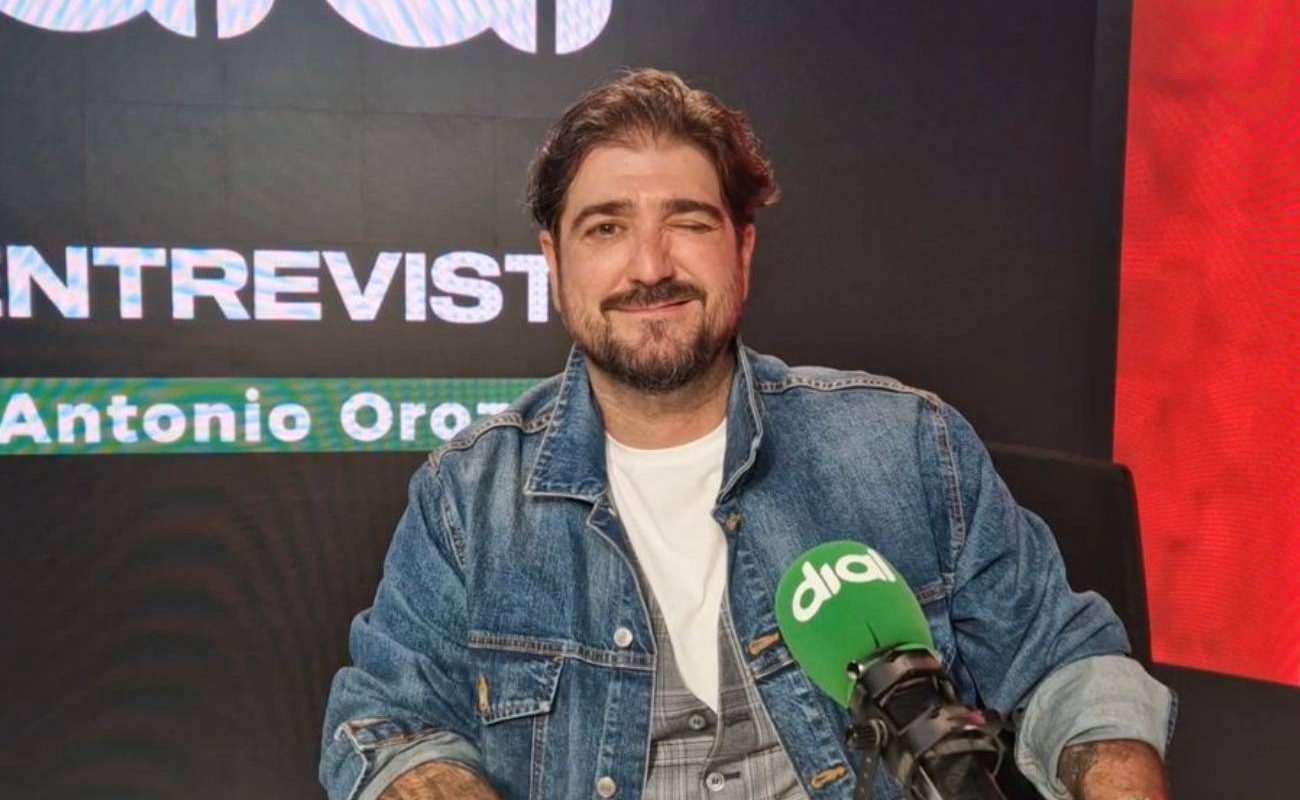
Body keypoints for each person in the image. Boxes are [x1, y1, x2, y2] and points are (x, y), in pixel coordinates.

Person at [320, 68, 1174, 800]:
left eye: (689, 222)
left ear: (743, 250)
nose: (650, 266)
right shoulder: (469, 498)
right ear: (554, 261)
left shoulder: (907, 446)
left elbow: (1069, 665)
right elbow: (386, 725)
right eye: (606, 227)